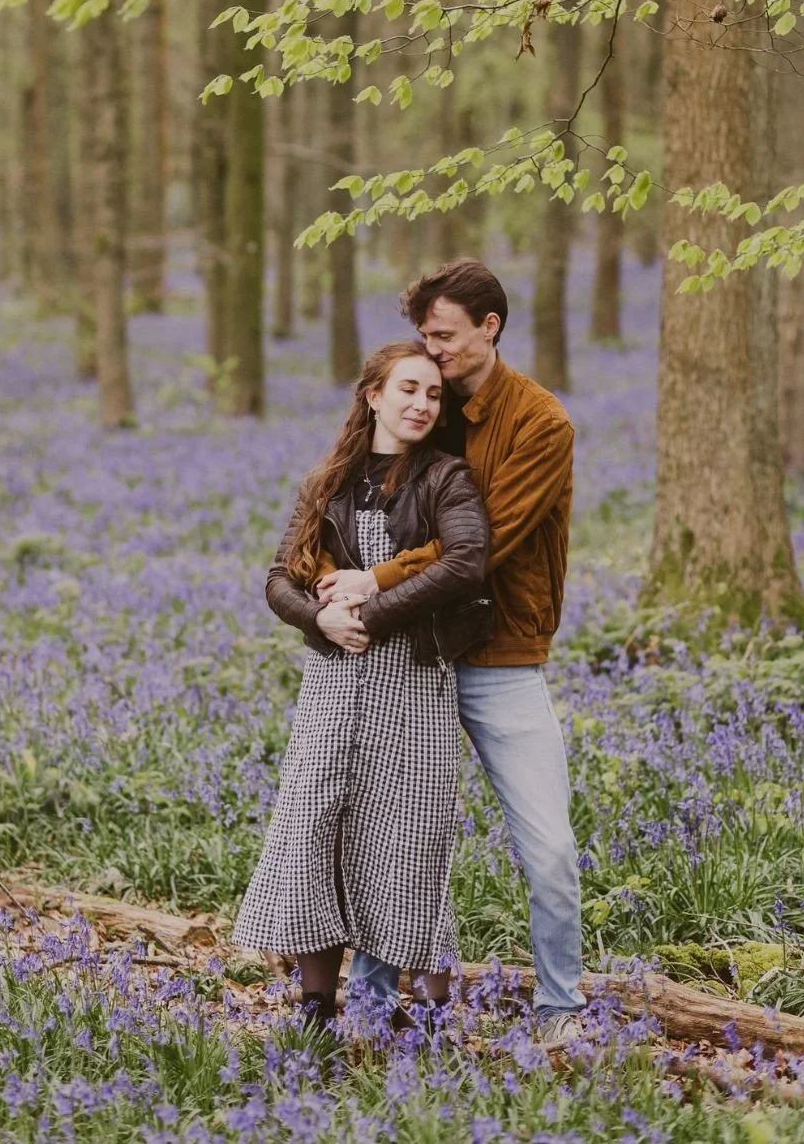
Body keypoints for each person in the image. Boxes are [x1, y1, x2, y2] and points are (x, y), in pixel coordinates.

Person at [318, 260, 586, 1049]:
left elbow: (482, 545)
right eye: (424, 340)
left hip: (501, 658)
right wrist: (323, 603)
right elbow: (345, 512)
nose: (428, 356)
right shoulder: (421, 408)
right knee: (383, 832)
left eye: (443, 338)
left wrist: (373, 581)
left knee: (550, 849)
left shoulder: (541, 423)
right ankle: (370, 1007)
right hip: (411, 658)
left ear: (488, 328)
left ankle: (561, 1012)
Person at [232, 340, 490, 1036]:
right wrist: (319, 617)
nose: (421, 404)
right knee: (317, 831)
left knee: (410, 839)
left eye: (434, 395)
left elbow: (466, 564)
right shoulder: (329, 482)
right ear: (373, 395)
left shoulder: (446, 480)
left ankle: (432, 1018)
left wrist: (370, 613)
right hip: (333, 687)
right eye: (408, 389)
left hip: (411, 683)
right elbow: (277, 580)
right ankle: (317, 1011)